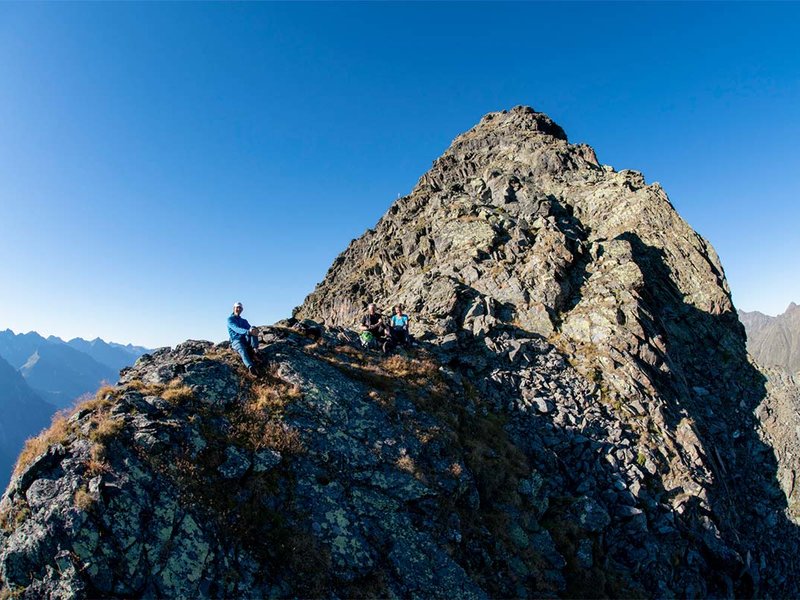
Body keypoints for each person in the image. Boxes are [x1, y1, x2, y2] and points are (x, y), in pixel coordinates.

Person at [228, 302, 259, 374]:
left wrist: (254, 330)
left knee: (253, 328)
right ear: (234, 309)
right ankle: (250, 366)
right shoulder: (230, 319)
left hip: (245, 339)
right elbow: (236, 328)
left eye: (240, 308)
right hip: (236, 340)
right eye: (237, 307)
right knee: (242, 350)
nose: (238, 309)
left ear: (242, 310)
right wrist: (248, 332)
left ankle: (255, 350)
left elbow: (250, 329)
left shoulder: (244, 321)